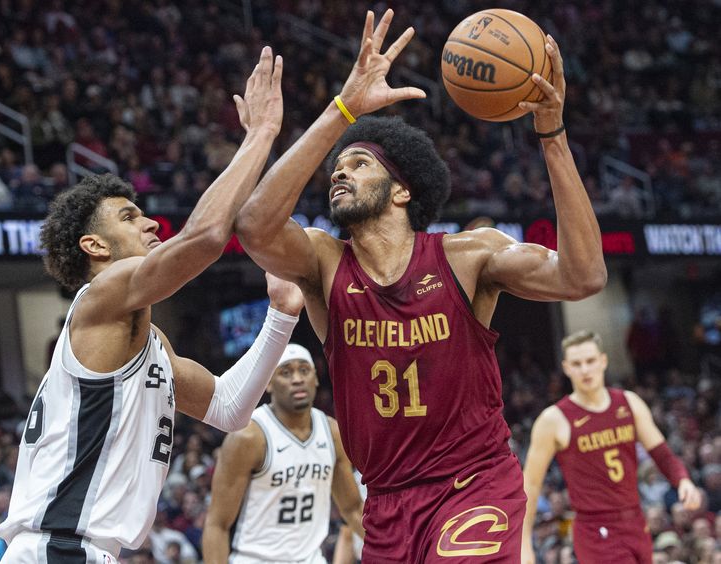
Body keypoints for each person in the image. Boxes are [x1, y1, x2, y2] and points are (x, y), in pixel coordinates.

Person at [234, 8, 607, 562]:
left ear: (402, 190)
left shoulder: (467, 257)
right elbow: (253, 226)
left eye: (358, 163)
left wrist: (551, 135)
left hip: (473, 486)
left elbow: (584, 276)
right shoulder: (324, 263)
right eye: (337, 167)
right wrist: (343, 113)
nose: (338, 171)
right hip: (384, 504)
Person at [0, 47, 304, 562]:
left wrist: (281, 313)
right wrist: (260, 135)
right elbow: (204, 237)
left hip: (84, 550)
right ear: (94, 247)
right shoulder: (102, 296)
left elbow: (229, 409)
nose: (151, 225)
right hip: (58, 549)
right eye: (129, 217)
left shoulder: (148, 342)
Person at [521, 330, 701, 564]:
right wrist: (523, 542)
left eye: (590, 361)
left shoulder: (629, 403)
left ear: (603, 361)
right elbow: (531, 485)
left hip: (636, 520)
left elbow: (662, 453)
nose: (585, 369)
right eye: (577, 363)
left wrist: (683, 479)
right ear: (566, 368)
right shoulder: (553, 420)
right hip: (595, 529)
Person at [202, 343, 364, 563]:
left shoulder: (332, 431)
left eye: (304, 371)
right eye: (286, 372)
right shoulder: (248, 437)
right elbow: (217, 524)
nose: (297, 379)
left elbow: (352, 508)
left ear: (315, 379)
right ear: (268, 382)